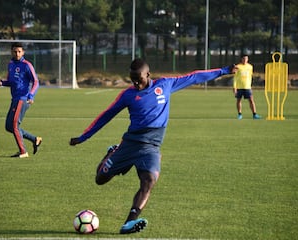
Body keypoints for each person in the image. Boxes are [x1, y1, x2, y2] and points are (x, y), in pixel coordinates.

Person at [69, 58, 236, 234]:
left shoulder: (165, 84)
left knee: (148, 181)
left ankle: (129, 222)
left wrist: (224, 70)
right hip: (130, 144)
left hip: (152, 147)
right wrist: (84, 137)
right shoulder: (128, 95)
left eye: (138, 79)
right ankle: (111, 153)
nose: (135, 82)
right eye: (132, 79)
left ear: (148, 74)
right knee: (100, 179)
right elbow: (106, 115)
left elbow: (194, 76)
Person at [0, 42, 42, 158]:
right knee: (9, 126)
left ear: (23, 52)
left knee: (14, 125)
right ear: (11, 52)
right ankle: (35, 139)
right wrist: (2, 83)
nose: (17, 54)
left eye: (19, 51)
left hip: (23, 99)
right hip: (14, 99)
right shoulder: (11, 64)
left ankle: (23, 152)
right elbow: (11, 82)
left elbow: (36, 82)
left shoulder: (27, 65)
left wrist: (31, 95)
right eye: (15, 51)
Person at [233, 54, 261, 119]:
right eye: (244, 58)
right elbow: (235, 77)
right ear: (241, 59)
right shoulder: (238, 67)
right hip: (239, 87)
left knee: (251, 100)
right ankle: (239, 114)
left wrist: (250, 85)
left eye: (246, 59)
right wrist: (234, 87)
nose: (245, 60)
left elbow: (250, 76)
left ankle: (255, 114)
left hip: (247, 87)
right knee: (238, 100)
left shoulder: (250, 67)